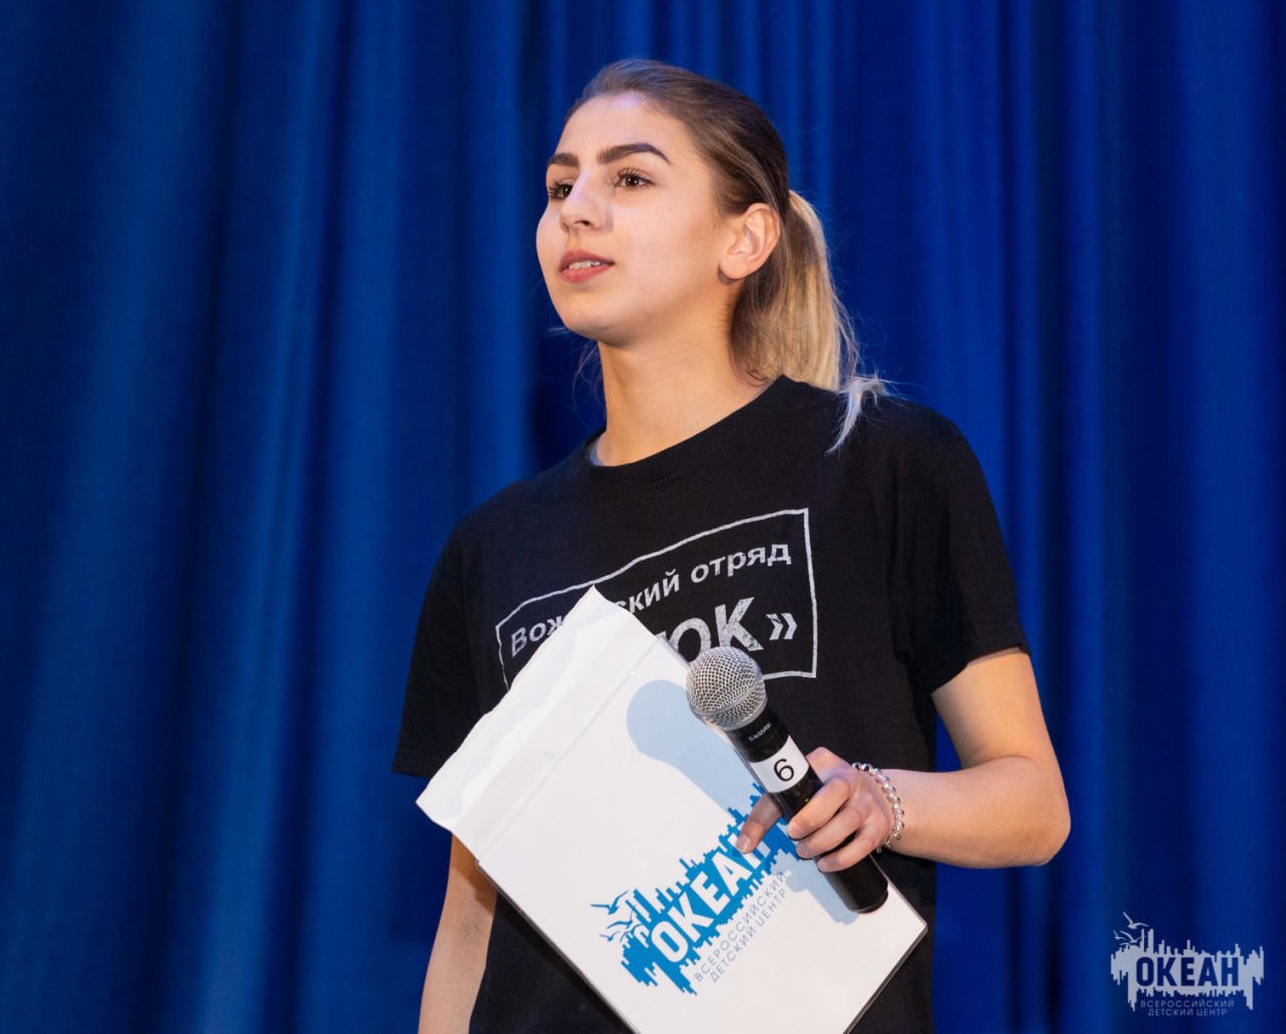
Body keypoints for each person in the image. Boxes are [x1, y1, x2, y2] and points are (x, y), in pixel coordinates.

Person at [392, 59, 1069, 1032]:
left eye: (629, 177)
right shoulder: (489, 550)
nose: (576, 209)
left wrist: (879, 799)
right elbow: (471, 918)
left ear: (744, 237)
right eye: (559, 185)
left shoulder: (884, 466)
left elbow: (1032, 803)